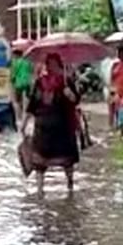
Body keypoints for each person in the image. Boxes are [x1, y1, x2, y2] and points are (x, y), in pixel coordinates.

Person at [26, 53, 81, 195]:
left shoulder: (67, 81)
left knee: (67, 160)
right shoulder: (40, 82)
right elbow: (33, 104)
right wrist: (25, 122)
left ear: (59, 64)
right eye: (48, 64)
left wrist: (70, 95)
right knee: (39, 161)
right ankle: (40, 190)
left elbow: (76, 101)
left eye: (54, 64)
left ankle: (70, 185)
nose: (51, 67)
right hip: (43, 126)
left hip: (62, 126)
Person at [9, 48, 33, 132]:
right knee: (27, 99)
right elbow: (31, 71)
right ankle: (25, 115)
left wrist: (11, 80)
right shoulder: (27, 62)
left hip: (18, 84)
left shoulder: (15, 63)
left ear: (16, 55)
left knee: (17, 101)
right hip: (27, 82)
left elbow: (13, 74)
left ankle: (19, 118)